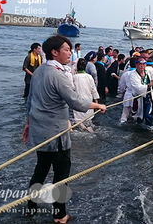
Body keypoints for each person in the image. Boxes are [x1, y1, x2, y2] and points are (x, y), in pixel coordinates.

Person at [23, 35, 106, 223]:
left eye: (70, 49)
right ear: (54, 52)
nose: (70, 53)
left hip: (40, 132)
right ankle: (59, 215)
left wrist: (28, 124)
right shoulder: (58, 74)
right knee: (61, 175)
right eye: (66, 50)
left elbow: (30, 101)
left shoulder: (38, 72)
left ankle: (31, 207)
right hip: (56, 134)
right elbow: (75, 101)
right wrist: (98, 105)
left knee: (41, 169)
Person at [72, 58, 100, 132]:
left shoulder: (74, 77)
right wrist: (96, 103)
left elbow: (72, 89)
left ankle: (85, 129)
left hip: (78, 101)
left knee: (78, 120)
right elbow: (94, 90)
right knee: (88, 119)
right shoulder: (89, 77)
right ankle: (88, 128)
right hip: (89, 102)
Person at [130, 58, 153, 129]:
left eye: (143, 64)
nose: (142, 66)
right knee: (139, 115)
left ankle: (149, 127)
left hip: (148, 95)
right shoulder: (133, 75)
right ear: (136, 65)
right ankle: (138, 127)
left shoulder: (149, 70)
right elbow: (137, 87)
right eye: (140, 64)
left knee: (148, 114)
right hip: (139, 97)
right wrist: (149, 85)